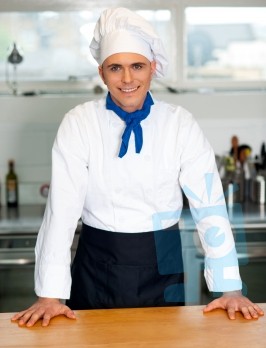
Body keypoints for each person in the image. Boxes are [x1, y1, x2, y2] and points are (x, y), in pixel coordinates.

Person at [12, 8, 264, 327]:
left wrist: (229, 287)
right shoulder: (79, 123)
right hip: (98, 262)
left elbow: (210, 206)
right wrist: (49, 295)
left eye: (137, 66)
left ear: (152, 68)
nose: (128, 79)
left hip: (163, 263)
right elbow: (61, 209)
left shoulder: (179, 124)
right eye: (116, 67)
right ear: (102, 73)